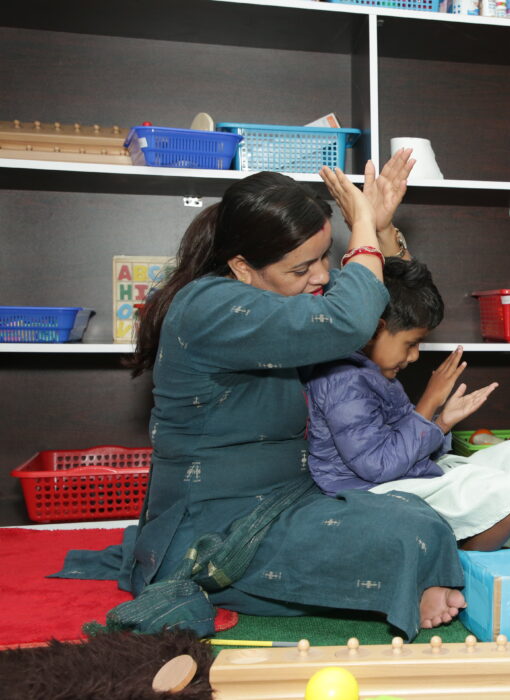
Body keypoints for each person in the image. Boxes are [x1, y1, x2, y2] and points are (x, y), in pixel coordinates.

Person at [56, 150, 468, 639]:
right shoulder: (211, 306)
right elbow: (353, 319)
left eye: (323, 259)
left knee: (416, 515)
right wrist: (358, 221)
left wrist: (378, 229)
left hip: (292, 496)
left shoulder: (284, 291)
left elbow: (391, 305)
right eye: (302, 268)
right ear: (242, 266)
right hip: (220, 524)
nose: (320, 276)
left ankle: (401, 576)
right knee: (403, 536)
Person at [306, 257, 510, 551]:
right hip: (363, 490)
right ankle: (456, 574)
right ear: (374, 330)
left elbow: (405, 438)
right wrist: (429, 402)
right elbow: (378, 466)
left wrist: (443, 422)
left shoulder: (377, 373)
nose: (416, 356)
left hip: (397, 475)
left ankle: (465, 561)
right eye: (411, 343)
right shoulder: (344, 381)